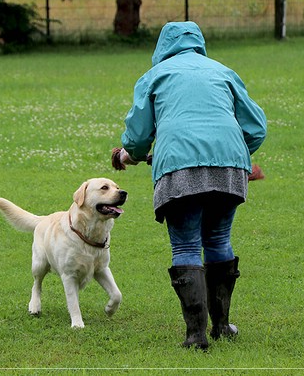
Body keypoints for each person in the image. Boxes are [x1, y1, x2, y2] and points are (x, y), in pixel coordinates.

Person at [112, 21, 266, 350]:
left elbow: (138, 137)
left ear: (161, 46)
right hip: (229, 169)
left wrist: (131, 155)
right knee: (219, 239)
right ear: (199, 42)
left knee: (185, 247)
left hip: (178, 170)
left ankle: (196, 334)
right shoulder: (223, 71)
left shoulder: (154, 76)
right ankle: (222, 326)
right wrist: (233, 153)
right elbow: (256, 128)